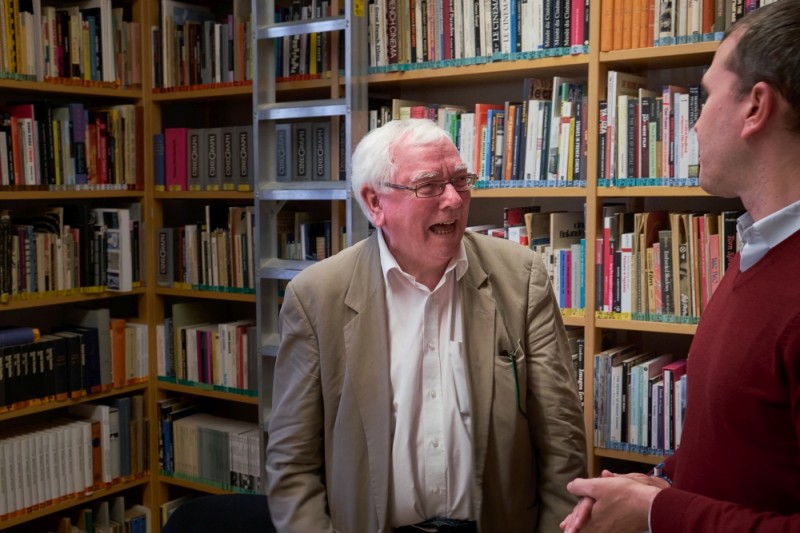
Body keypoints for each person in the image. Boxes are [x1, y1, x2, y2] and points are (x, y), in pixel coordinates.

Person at [266, 118, 587, 532]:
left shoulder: (521, 277)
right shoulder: (316, 297)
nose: (453, 200)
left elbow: (563, 441)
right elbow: (292, 464)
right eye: (429, 185)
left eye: (460, 180)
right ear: (375, 202)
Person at [560, 1, 800, 531]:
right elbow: (750, 448)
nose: (693, 123)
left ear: (755, 107)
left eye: (708, 95)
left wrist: (657, 513)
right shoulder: (756, 251)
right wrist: (666, 483)